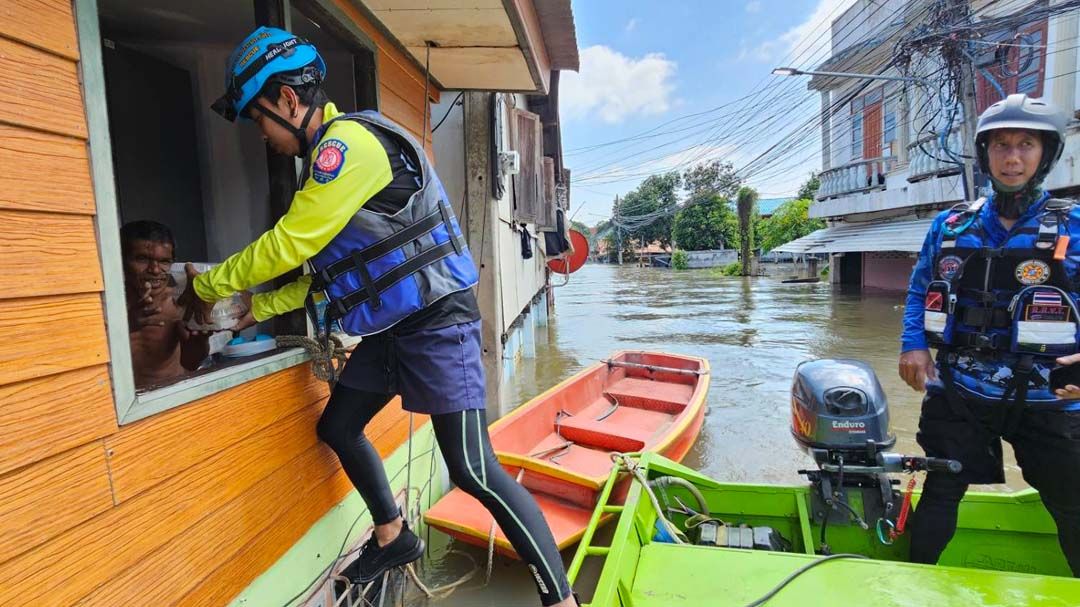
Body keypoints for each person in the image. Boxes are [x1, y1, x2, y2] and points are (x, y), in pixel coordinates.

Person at [183, 27, 578, 606]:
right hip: (396, 329)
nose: (261, 136)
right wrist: (253, 312)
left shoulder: (348, 149)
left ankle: (562, 600)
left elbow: (288, 244)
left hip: (440, 322)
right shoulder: (324, 170)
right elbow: (328, 276)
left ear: (288, 101)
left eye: (258, 118)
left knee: (472, 468)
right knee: (338, 426)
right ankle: (393, 535)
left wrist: (208, 288)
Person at [899, 94, 1080, 575]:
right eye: (1001, 145)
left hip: (1051, 397)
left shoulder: (1076, 225)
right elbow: (919, 290)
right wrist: (913, 344)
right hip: (960, 389)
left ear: (1046, 154)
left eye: (1026, 144)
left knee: (1072, 504)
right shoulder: (951, 224)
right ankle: (912, 584)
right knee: (940, 491)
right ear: (985, 155)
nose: (1013, 157)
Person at [122, 220, 210, 388]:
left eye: (164, 261)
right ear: (121, 261)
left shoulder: (177, 303)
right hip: (120, 407)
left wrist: (200, 342)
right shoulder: (104, 307)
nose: (155, 270)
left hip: (169, 398)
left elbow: (191, 364)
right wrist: (122, 328)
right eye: (142, 259)